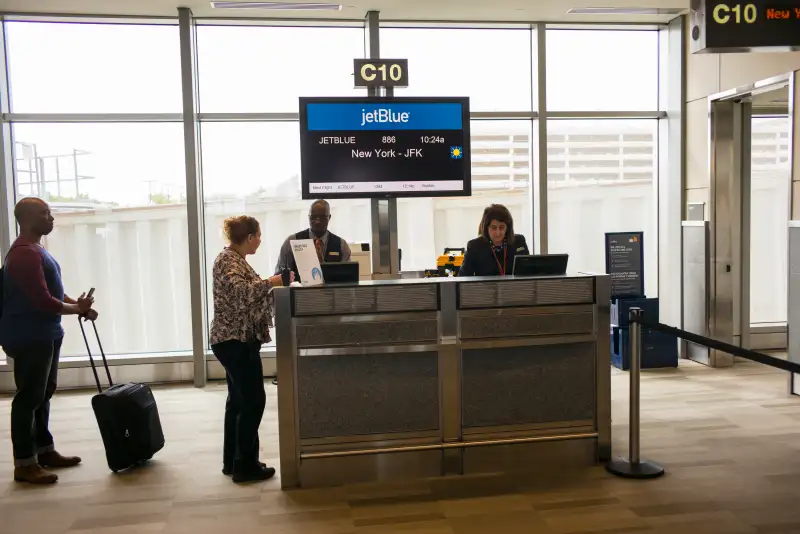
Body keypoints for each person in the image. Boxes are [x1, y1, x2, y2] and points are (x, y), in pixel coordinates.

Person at [0, 197, 97, 485]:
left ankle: (44, 450)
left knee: (43, 394)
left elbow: (53, 292)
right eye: (45, 213)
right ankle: (25, 463)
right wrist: (75, 309)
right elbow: (42, 301)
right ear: (28, 219)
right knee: (28, 397)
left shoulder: (37, 251)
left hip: (46, 334)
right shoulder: (24, 254)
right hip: (31, 336)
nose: (51, 218)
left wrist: (77, 304)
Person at [210, 215, 293, 484]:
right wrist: (273, 281)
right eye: (258, 235)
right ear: (249, 237)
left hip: (234, 340)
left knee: (238, 402)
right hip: (235, 341)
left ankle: (233, 462)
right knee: (253, 401)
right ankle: (246, 466)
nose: (260, 239)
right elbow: (244, 293)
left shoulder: (234, 260)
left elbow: (250, 295)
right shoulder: (228, 261)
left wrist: (276, 284)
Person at [274, 200, 351, 280]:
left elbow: (348, 278)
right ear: (308, 217)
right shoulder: (292, 242)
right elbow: (278, 276)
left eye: (322, 217)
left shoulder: (341, 245)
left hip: (331, 292)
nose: (317, 221)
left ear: (329, 217)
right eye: (313, 217)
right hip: (299, 291)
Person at [459, 204, 530, 277]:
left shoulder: (519, 242)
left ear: (508, 227)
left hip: (515, 287)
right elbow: (463, 278)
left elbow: (530, 271)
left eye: (502, 227)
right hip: (485, 288)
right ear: (486, 228)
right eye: (493, 228)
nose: (498, 233)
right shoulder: (474, 246)